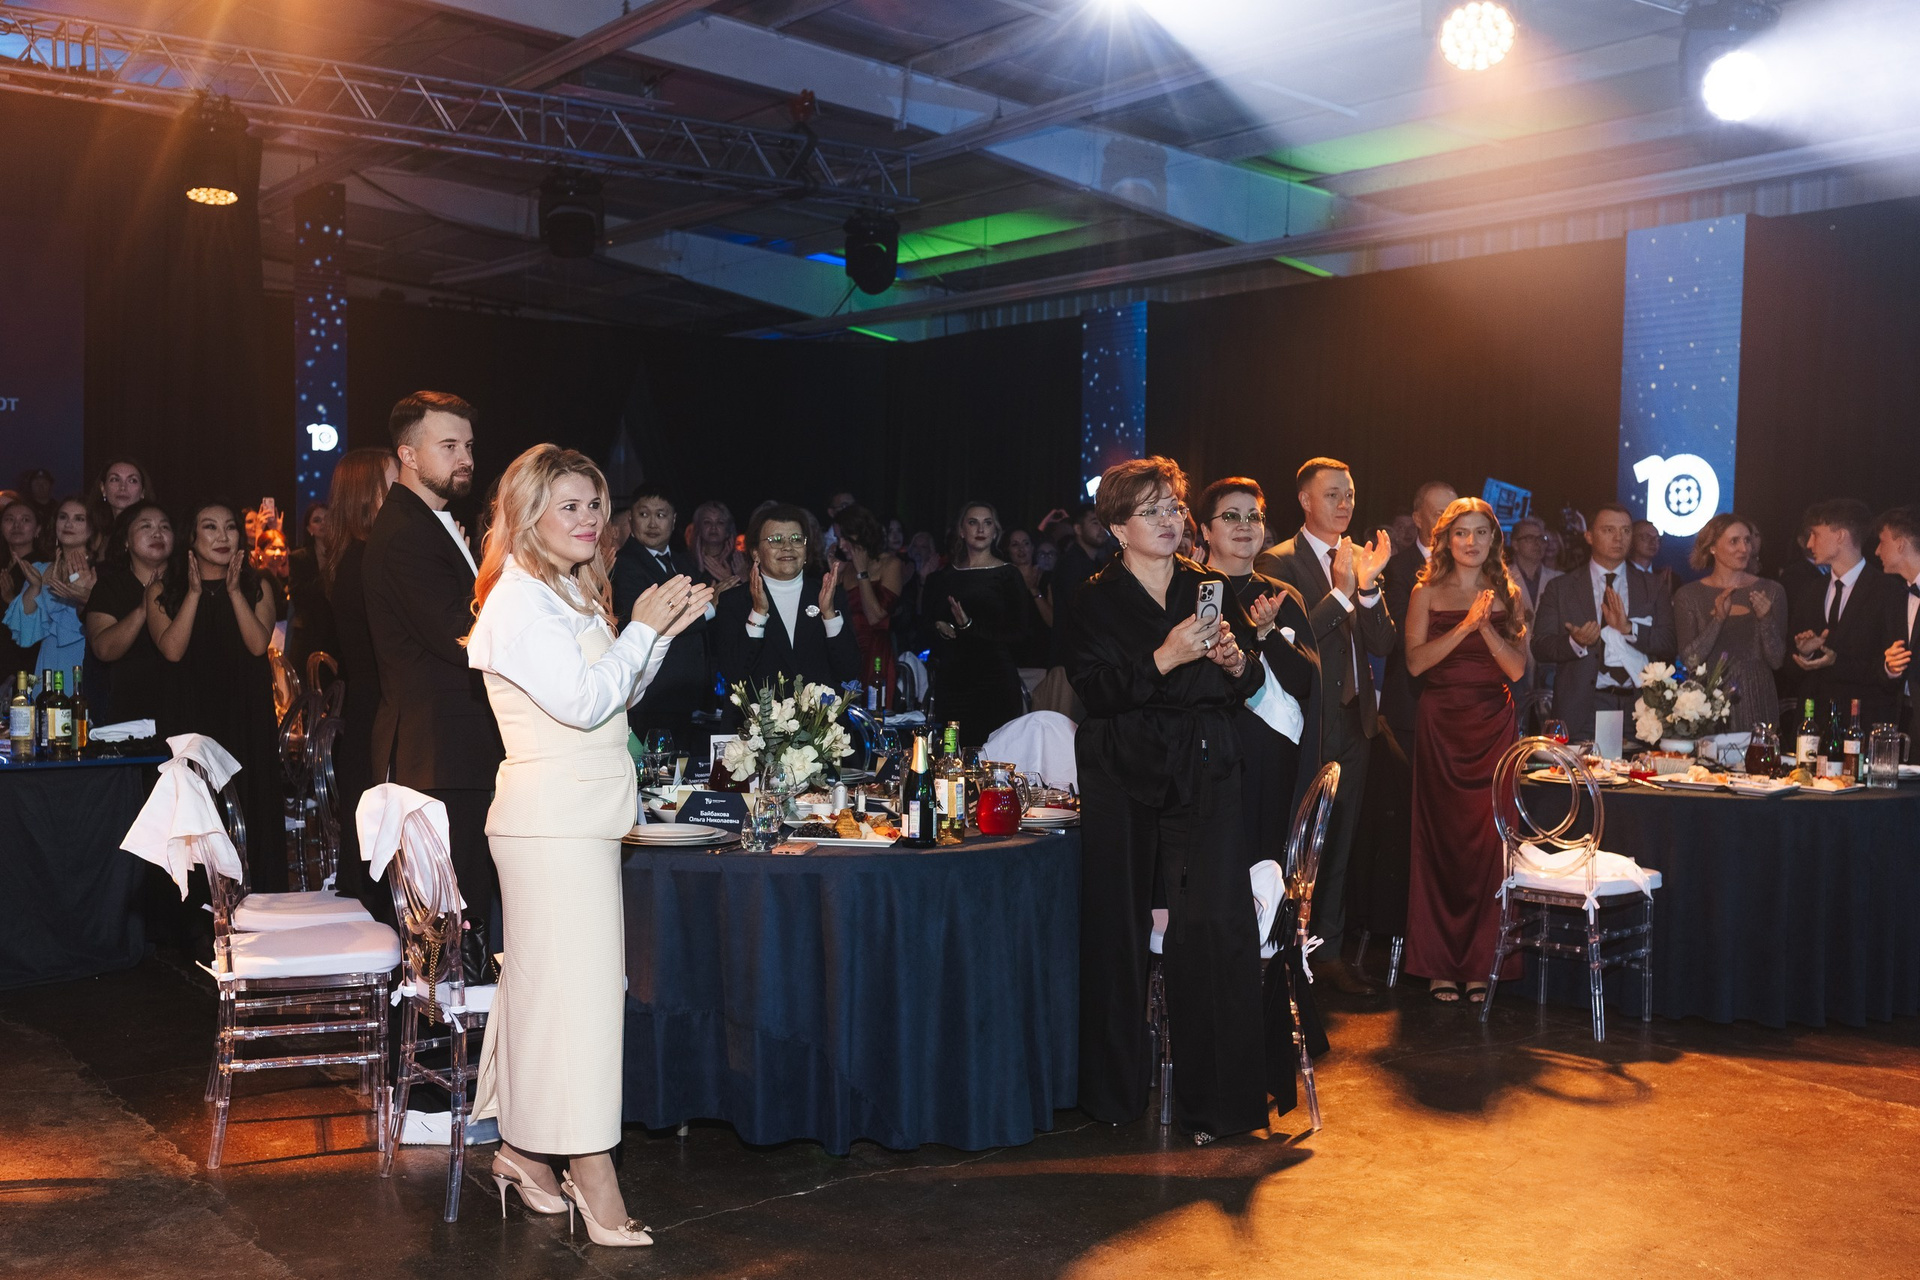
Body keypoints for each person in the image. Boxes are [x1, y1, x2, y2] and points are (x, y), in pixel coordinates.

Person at [466, 444, 710, 1248]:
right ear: (527, 513)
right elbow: (580, 703)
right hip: (551, 823)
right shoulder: (517, 601)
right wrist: (639, 629)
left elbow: (618, 695)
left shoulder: (564, 591)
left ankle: (522, 1153)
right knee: (581, 1001)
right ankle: (591, 1169)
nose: (589, 519)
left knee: (555, 993)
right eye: (569, 505)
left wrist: (658, 633)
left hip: (577, 817)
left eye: (595, 504)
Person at [1066, 456, 1268, 1143]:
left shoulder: (1207, 584)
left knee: (1213, 928)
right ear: (1118, 527)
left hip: (1203, 766)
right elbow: (1098, 692)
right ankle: (1114, 1095)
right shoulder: (1092, 598)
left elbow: (1247, 681)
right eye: (1149, 510)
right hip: (1123, 770)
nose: (1167, 520)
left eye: (1173, 508)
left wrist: (1238, 664)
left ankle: (1220, 1106)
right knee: (1117, 929)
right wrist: (1166, 657)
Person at [364, 391, 505, 932]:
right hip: (439, 751)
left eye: (468, 446)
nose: (465, 458)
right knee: (448, 927)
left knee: (458, 918)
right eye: (449, 446)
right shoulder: (407, 533)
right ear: (408, 455)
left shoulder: (430, 521)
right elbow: (460, 636)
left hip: (450, 748)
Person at [1253, 458, 1395, 996]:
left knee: (1339, 841)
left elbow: (1383, 643)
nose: (1344, 503)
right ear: (1305, 501)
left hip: (1358, 718)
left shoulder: (1358, 557)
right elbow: (1292, 638)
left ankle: (1328, 951)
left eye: (1350, 494)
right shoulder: (1278, 560)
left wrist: (1368, 589)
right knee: (1301, 838)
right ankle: (1286, 950)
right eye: (1332, 494)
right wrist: (1339, 593)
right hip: (1310, 718)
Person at [1402, 498, 1529, 1004]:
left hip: (1493, 727)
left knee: (1488, 847)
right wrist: (1463, 626)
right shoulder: (1425, 592)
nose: (1471, 542)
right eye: (1461, 532)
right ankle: (1438, 965)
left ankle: (1481, 964)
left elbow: (1516, 670)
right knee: (1441, 843)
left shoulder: (1509, 594)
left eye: (1480, 532)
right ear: (1446, 540)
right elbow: (1415, 664)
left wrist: (1485, 625)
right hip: (1441, 727)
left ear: (1494, 539)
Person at [146, 501, 286, 889]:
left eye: (230, 527)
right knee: (196, 815)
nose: (223, 536)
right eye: (210, 527)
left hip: (246, 715)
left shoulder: (258, 586)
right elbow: (172, 650)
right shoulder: (163, 590)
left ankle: (260, 902)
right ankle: (196, 915)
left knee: (252, 809)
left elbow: (257, 644)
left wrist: (235, 592)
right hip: (191, 716)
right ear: (191, 538)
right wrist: (193, 594)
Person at [1198, 478, 1317, 860]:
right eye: (1231, 516)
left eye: (1254, 516)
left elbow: (1304, 681)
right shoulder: (1188, 589)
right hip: (1205, 755)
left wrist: (1268, 633)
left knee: (1266, 873)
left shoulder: (1281, 595)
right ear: (1205, 530)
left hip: (1271, 760)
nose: (1244, 525)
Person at [320, 448, 397, 908]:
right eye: (394, 482)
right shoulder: (367, 560)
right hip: (375, 709)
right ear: (368, 494)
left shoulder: (354, 555)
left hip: (367, 706)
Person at [1530, 504, 1677, 742]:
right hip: (1583, 708)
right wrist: (1575, 642)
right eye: (1609, 530)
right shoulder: (1561, 588)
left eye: (1626, 531)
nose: (1619, 538)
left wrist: (1629, 629)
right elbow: (1539, 646)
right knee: (1582, 767)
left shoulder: (1653, 586)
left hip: (1641, 708)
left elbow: (1669, 643)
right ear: (1589, 536)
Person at [714, 503, 861, 695]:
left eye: (796, 539)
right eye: (775, 540)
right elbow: (734, 675)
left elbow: (849, 671)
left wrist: (829, 615)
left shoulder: (829, 595)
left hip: (820, 714)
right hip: (758, 713)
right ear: (756, 552)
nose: (787, 547)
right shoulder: (734, 601)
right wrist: (758, 614)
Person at [1786, 498, 1903, 728]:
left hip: (1861, 722)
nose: (1809, 544)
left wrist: (1837, 662)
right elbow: (1787, 664)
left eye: (1815, 535)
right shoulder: (1810, 590)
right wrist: (1805, 654)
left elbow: (1889, 669)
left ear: (1840, 536)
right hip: (1812, 723)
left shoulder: (1888, 591)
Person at [611, 484, 712, 752]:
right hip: (652, 694)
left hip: (688, 693)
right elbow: (656, 618)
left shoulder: (683, 561)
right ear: (630, 518)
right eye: (644, 514)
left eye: (661, 515)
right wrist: (711, 608)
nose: (653, 523)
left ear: (674, 520)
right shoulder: (626, 564)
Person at [923, 502, 1029, 746]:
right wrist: (938, 627)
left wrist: (969, 626)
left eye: (987, 523)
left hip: (994, 681)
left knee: (994, 754)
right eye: (973, 522)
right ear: (962, 530)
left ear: (995, 531)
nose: (980, 529)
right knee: (952, 754)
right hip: (953, 681)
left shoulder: (1008, 575)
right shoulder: (943, 577)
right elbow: (924, 628)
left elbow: (1020, 633)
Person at [1673, 514, 1788, 732]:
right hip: (1707, 705)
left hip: (1757, 700)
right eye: (1734, 541)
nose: (1744, 549)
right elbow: (1690, 660)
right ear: (1712, 547)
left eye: (1747, 540)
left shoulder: (1772, 591)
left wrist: (1765, 619)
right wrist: (1717, 620)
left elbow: (1776, 660)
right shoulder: (1689, 595)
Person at [83, 501, 173, 724]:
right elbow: (104, 649)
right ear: (125, 540)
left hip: (181, 709)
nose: (157, 533)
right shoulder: (110, 587)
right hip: (127, 715)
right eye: (146, 526)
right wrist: (143, 608)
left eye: (164, 527)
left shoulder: (186, 586)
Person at [1381, 481, 1457, 743]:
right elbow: (1404, 637)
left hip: (1461, 708)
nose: (1448, 522)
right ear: (1417, 519)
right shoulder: (1396, 569)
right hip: (1413, 705)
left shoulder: (1471, 568)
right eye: (1439, 514)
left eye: (1454, 514)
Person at [5, 496, 95, 677]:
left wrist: (86, 595)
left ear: (92, 528)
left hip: (86, 662)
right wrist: (35, 587)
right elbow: (25, 633)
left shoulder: (98, 571)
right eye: (63, 517)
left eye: (79, 519)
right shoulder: (39, 569)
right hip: (48, 662)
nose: (68, 524)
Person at [833, 505, 906, 706]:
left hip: (875, 652)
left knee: (874, 711)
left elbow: (875, 616)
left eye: (845, 538)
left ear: (860, 535)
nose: (841, 545)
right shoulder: (844, 568)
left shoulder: (890, 564)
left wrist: (862, 572)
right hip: (847, 650)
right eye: (838, 538)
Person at [1875, 506, 1920, 744]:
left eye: (1882, 542)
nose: (1876, 551)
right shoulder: (1897, 596)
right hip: (1905, 720)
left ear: (1901, 544)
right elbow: (1884, 662)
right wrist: (1890, 668)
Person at [1048, 505, 1113, 665]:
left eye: (1103, 522)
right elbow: (1079, 610)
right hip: (1072, 656)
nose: (1102, 528)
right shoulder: (1071, 564)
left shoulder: (1098, 562)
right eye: (1095, 522)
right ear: (1078, 529)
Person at [284, 501, 336, 677]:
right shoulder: (299, 558)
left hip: (335, 635)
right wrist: (326, 575)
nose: (323, 523)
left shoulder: (342, 555)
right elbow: (298, 595)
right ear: (309, 529)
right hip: (308, 635)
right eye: (317, 520)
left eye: (327, 518)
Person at [0, 498, 43, 690]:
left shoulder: (42, 566)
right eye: (9, 519)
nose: (16, 525)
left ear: (37, 529)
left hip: (26, 665)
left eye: (25, 520)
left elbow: (39, 624)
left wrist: (11, 600)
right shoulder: (4, 564)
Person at [1006, 527, 1054, 671]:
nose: (1021, 549)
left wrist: (1034, 589)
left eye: (1026, 543)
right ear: (1008, 550)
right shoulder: (1002, 580)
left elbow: (1052, 621)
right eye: (1015, 544)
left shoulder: (1047, 578)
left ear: (1033, 548)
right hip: (1009, 660)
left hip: (1039, 660)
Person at [89, 458, 152, 560]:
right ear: (103, 488)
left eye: (132, 481)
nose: (123, 487)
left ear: (142, 492)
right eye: (115, 479)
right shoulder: (100, 535)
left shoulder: (150, 532)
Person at [688, 500, 747, 593]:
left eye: (720, 522)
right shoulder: (685, 561)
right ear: (699, 528)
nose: (713, 527)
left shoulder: (740, 561)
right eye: (707, 522)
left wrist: (732, 579)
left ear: (728, 530)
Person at [1631, 519, 1679, 597]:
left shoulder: (1669, 578)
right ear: (1631, 539)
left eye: (1657, 538)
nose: (1653, 542)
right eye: (1646, 537)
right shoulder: (1620, 574)